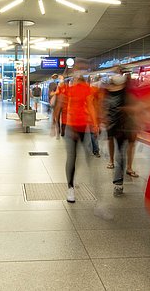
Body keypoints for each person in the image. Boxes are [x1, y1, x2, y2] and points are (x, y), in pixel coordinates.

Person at [54, 75, 99, 203]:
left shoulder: (81, 89)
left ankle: (71, 188)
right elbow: (90, 106)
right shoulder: (70, 90)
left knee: (72, 158)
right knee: (79, 157)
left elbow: (89, 106)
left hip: (77, 127)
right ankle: (72, 187)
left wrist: (55, 122)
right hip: (74, 127)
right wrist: (95, 124)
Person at [104, 69, 139, 197]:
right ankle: (118, 180)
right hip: (114, 125)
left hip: (125, 126)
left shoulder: (127, 94)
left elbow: (135, 108)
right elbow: (104, 107)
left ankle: (119, 181)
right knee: (120, 153)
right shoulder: (108, 93)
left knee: (121, 154)